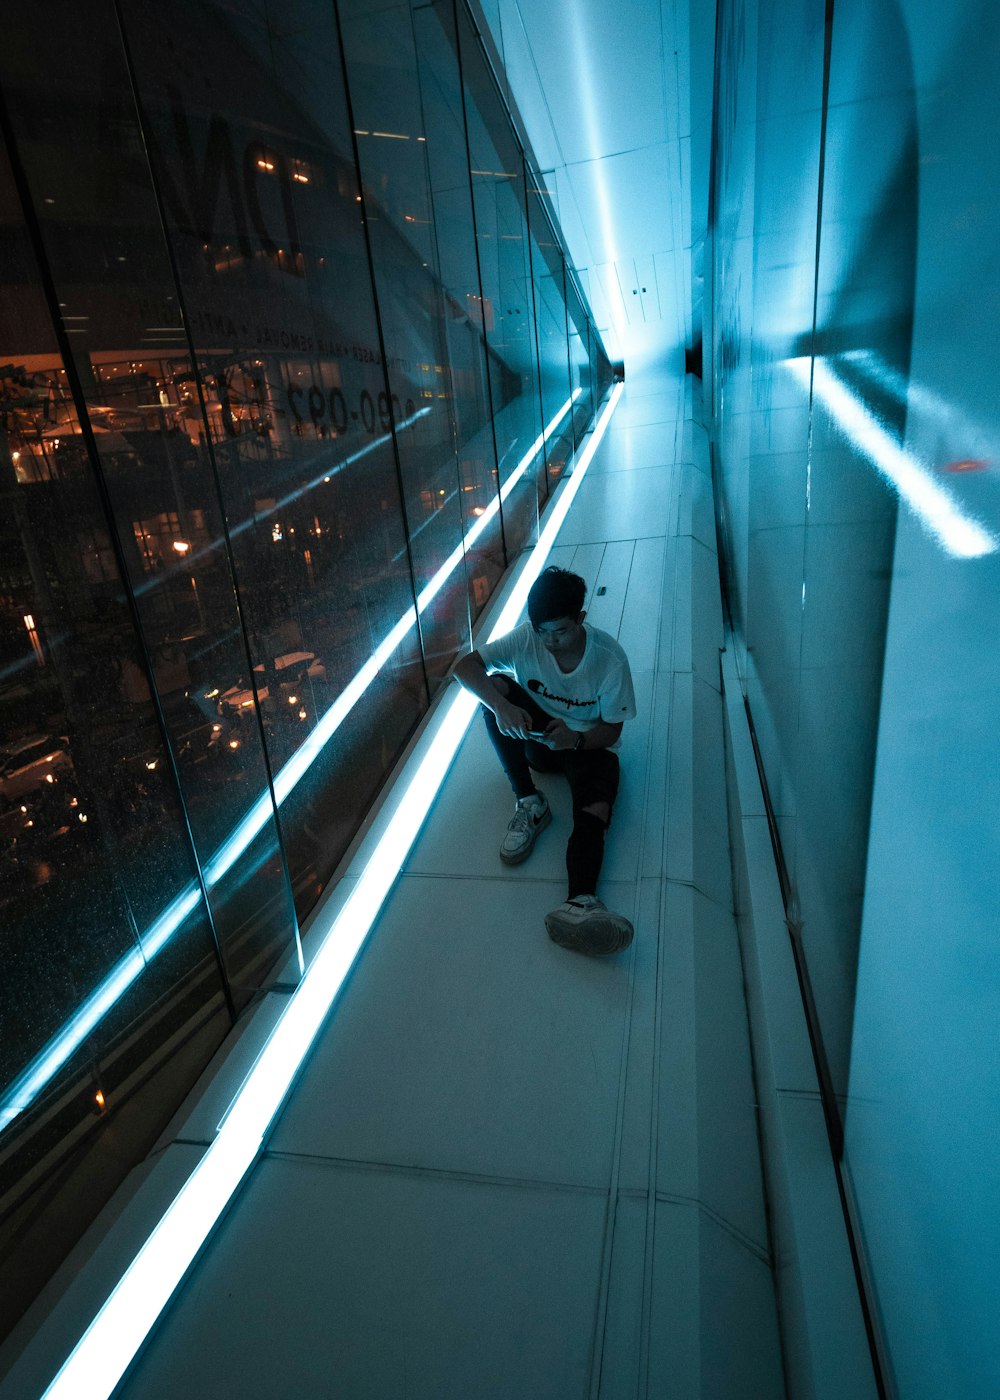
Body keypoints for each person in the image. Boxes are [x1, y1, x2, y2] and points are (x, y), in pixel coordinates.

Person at [454, 566, 636, 956]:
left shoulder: (610, 660)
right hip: (540, 739)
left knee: (595, 809)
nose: (550, 641)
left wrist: (578, 738)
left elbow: (613, 731)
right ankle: (530, 801)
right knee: (495, 690)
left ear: (581, 619)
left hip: (587, 745)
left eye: (561, 631)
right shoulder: (526, 639)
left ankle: (581, 902)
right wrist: (502, 706)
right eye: (543, 631)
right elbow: (464, 667)